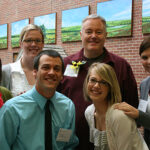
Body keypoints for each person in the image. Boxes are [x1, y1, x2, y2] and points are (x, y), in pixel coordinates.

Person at [57, 14, 139, 149]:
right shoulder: (66, 64)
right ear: (81, 34)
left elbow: (131, 104)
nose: (93, 36)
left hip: (110, 142)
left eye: (98, 32)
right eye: (89, 31)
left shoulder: (120, 66)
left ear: (105, 35)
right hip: (71, 140)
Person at [0, 50, 79, 150]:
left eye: (56, 69)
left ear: (61, 76)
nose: (51, 72)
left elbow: (69, 144)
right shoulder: (13, 108)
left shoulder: (67, 107)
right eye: (46, 67)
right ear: (35, 72)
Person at [84, 62, 148, 150]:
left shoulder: (119, 116)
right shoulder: (89, 112)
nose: (96, 86)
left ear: (110, 87)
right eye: (93, 80)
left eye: (103, 82)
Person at [114, 36, 150, 149]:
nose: (149, 61)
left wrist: (138, 115)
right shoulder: (144, 84)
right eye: (145, 57)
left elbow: (141, 116)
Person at [1, 24, 44, 97]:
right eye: (28, 40)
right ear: (21, 44)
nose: (33, 44)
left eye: (38, 40)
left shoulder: (48, 73)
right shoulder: (5, 72)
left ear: (43, 44)